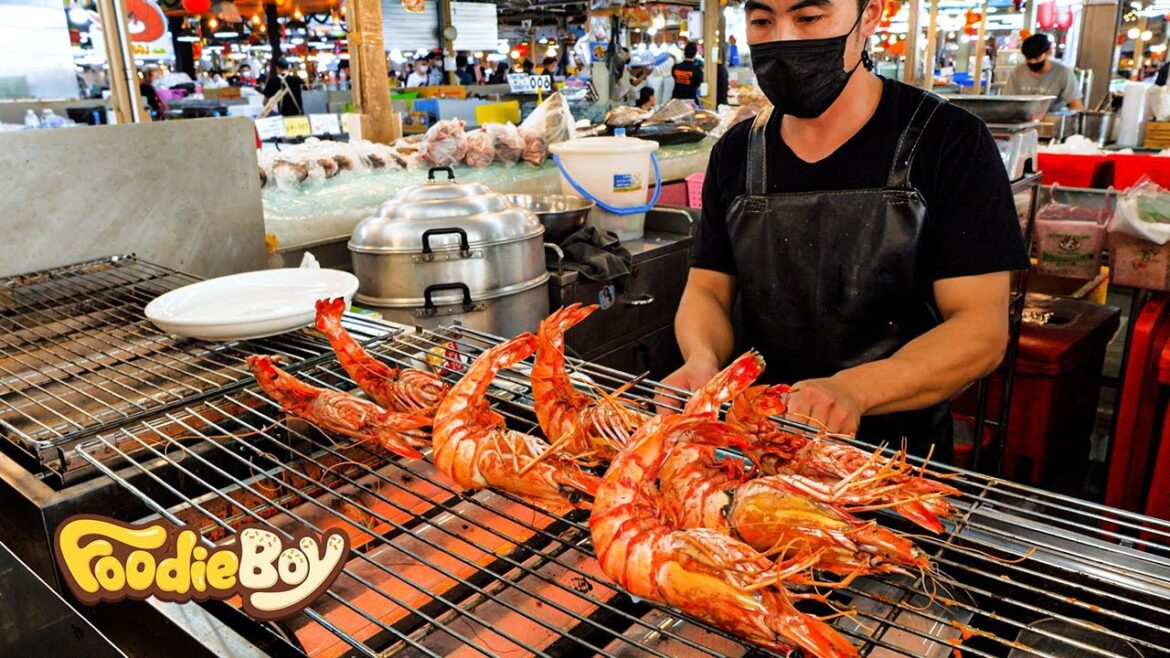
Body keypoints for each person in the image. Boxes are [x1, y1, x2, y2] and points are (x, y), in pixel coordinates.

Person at [660, 0, 1029, 463]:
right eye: (761, 21)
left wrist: (853, 391)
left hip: (895, 467)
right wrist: (701, 361)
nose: (784, 39)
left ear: (869, 16)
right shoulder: (737, 151)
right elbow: (708, 290)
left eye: (809, 18)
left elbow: (980, 330)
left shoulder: (950, 141)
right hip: (757, 449)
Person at [1003, 33, 1083, 112]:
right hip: (1023, 120)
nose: (1032, 62)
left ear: (1049, 52)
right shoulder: (1018, 72)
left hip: (1052, 121)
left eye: (1037, 58)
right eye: (1028, 58)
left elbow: (1077, 106)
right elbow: (1007, 102)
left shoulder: (1063, 74)